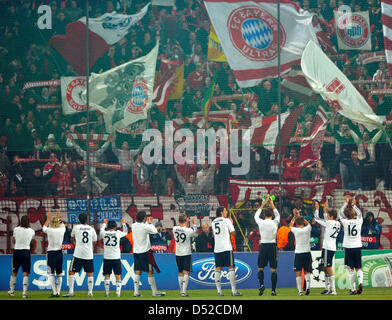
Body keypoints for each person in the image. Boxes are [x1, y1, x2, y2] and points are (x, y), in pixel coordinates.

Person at [131, 211, 165, 297]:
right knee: (150, 271)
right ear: (144, 218)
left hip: (136, 252)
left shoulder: (133, 226)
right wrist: (150, 224)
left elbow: (142, 225)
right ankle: (154, 292)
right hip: (145, 252)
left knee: (138, 271)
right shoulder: (146, 226)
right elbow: (154, 231)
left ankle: (136, 292)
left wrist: (147, 223)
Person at [63, 212, 97, 297]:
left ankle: (71, 292)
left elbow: (72, 238)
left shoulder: (76, 227)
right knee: (90, 273)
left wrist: (76, 244)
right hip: (88, 254)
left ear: (79, 220)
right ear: (87, 220)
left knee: (71, 272)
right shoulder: (91, 229)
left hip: (78, 253)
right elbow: (95, 241)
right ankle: (90, 292)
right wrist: (88, 244)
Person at [211, 206, 242, 296]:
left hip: (217, 249)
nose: (226, 212)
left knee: (218, 269)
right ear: (221, 212)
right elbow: (233, 233)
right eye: (225, 210)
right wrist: (232, 224)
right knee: (231, 268)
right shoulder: (227, 220)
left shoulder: (213, 222)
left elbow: (214, 234)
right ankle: (233, 291)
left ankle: (219, 291)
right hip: (226, 248)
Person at [253, 195, 280, 296]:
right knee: (273, 269)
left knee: (260, 268)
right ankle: (273, 291)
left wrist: (262, 205)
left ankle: (262, 285)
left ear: (264, 214)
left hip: (263, 246)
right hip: (272, 246)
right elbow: (278, 215)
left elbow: (255, 216)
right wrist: (272, 204)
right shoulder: (275, 222)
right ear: (272, 215)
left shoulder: (261, 222)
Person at [314, 201, 340, 295]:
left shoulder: (329, 223)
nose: (327, 217)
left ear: (331, 217)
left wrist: (317, 209)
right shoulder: (337, 223)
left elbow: (317, 219)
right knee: (325, 267)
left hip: (327, 247)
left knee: (328, 267)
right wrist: (325, 211)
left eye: (328, 215)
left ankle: (333, 290)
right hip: (331, 247)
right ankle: (327, 288)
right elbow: (327, 221)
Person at [339, 195, 364, 295]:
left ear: (346, 215)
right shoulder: (359, 221)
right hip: (357, 246)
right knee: (358, 267)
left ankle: (353, 289)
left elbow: (340, 213)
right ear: (354, 214)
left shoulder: (345, 222)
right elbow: (360, 214)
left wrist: (346, 202)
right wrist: (354, 205)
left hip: (348, 247)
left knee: (350, 269)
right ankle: (361, 283)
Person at [8, 215, 35, 298]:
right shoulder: (32, 231)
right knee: (25, 273)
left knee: (14, 271)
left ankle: (12, 291)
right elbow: (32, 243)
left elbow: (13, 241)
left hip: (17, 251)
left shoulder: (16, 229)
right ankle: (24, 293)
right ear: (28, 221)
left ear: (20, 220)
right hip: (26, 251)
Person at [100, 218, 127, 297]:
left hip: (107, 257)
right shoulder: (118, 233)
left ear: (108, 227)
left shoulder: (104, 233)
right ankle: (118, 293)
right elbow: (125, 232)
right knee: (118, 275)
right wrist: (123, 224)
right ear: (115, 227)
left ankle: (107, 293)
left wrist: (104, 223)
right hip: (116, 257)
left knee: (107, 275)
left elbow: (101, 230)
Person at [173, 214, 198, 296]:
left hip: (178, 253)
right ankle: (184, 291)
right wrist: (194, 224)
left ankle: (181, 290)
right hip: (186, 253)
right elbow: (196, 235)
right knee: (186, 272)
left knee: (180, 272)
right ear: (186, 221)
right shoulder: (188, 230)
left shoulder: (174, 229)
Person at [42, 209, 66, 298]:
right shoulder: (62, 229)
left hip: (51, 253)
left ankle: (54, 292)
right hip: (59, 253)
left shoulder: (49, 230)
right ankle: (59, 292)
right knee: (59, 273)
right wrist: (59, 215)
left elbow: (43, 227)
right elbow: (61, 223)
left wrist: (48, 219)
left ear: (51, 222)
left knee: (50, 273)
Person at [289, 208, 312, 296]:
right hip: (307, 252)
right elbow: (307, 223)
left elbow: (290, 226)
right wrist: (299, 216)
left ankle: (300, 291)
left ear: (297, 224)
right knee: (307, 271)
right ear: (303, 222)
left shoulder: (295, 230)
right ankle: (308, 288)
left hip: (298, 252)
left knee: (298, 272)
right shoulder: (308, 229)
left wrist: (294, 217)